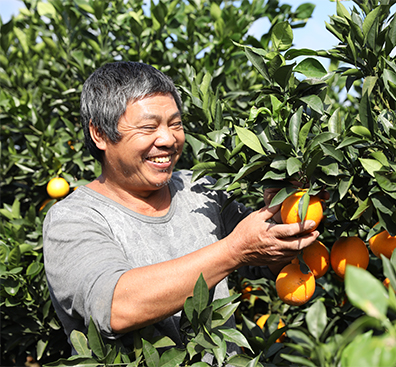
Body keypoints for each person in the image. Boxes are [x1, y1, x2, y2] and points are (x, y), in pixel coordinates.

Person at [43, 61, 320, 352]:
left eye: (175, 124)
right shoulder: (72, 218)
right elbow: (116, 307)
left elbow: (268, 262)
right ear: (100, 134)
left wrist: (285, 209)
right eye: (149, 127)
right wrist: (234, 250)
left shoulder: (200, 189)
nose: (168, 139)